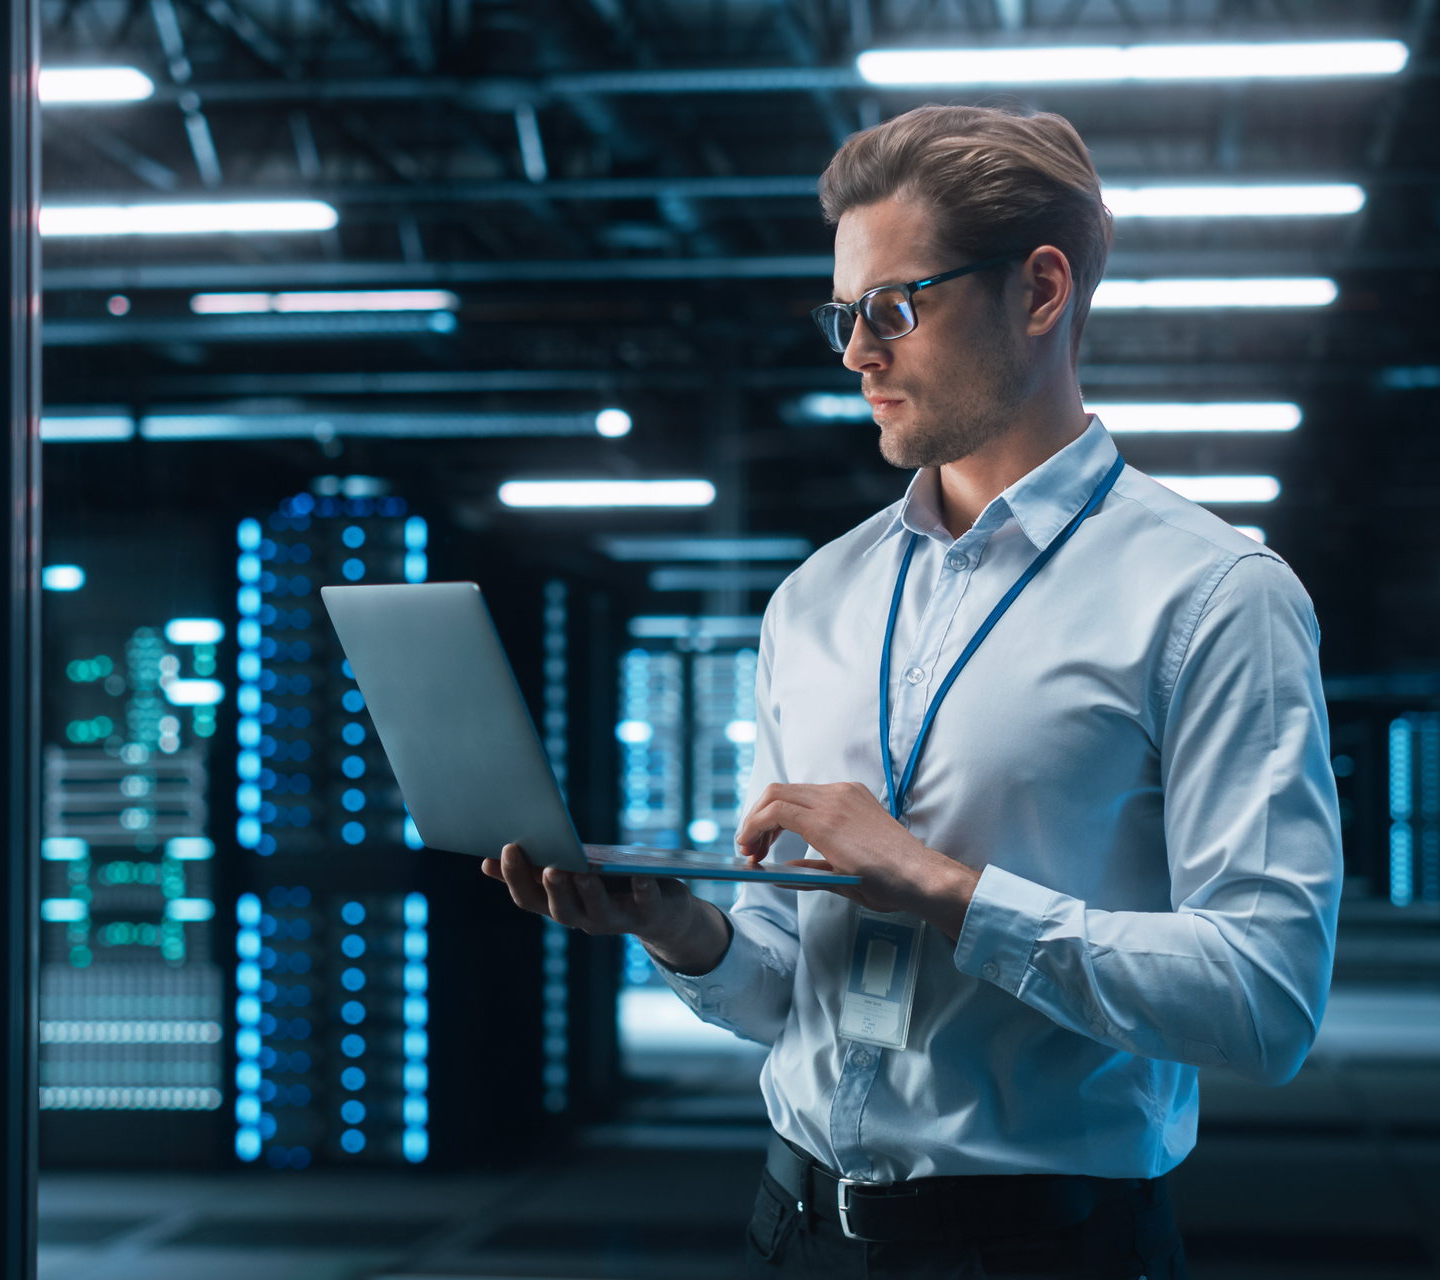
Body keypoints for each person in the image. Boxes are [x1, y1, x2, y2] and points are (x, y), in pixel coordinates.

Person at [485, 103, 1342, 1279]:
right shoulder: (816, 600)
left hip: (1046, 1251)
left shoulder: (1213, 595)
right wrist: (680, 927)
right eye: (842, 315)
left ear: (1039, 292)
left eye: (894, 307)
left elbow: (1266, 999)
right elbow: (785, 983)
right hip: (792, 1229)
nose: (854, 355)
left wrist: (944, 887)